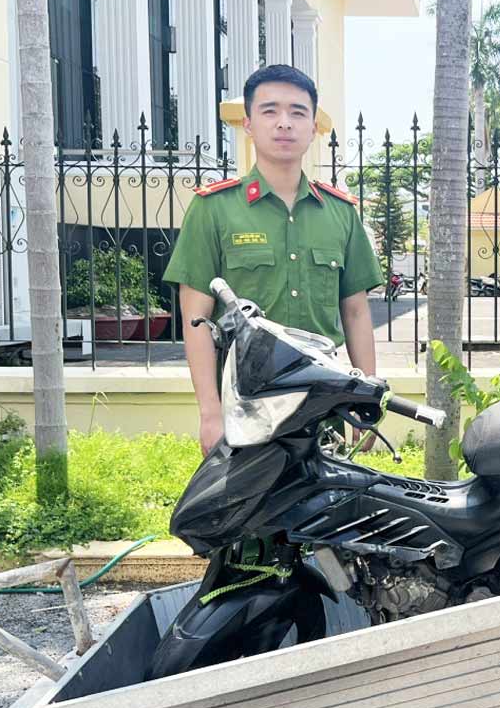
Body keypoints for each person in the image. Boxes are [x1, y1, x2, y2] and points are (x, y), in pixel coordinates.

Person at [163, 65, 383, 455]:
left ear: (313, 126)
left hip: (324, 404)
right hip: (246, 408)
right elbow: (195, 318)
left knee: (329, 514)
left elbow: (356, 313)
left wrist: (364, 401)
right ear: (248, 124)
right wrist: (210, 414)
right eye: (270, 111)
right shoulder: (214, 209)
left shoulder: (340, 213)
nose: (284, 123)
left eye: (298, 112)